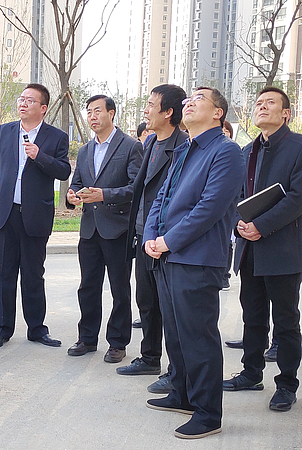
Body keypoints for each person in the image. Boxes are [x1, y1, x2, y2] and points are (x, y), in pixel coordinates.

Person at [143, 87, 245, 439]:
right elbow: (161, 198)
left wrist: (168, 240)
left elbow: (209, 208)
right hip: (167, 255)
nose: (189, 102)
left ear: (218, 113)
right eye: (188, 99)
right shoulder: (185, 148)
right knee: (175, 333)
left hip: (198, 259)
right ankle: (182, 394)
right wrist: (151, 237)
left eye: (199, 98)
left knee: (198, 337)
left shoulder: (226, 151)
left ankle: (207, 413)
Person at [223, 86, 302, 413]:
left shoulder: (298, 147)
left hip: (283, 249)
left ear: (286, 113)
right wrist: (239, 224)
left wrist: (261, 225)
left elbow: (296, 198)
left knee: (286, 321)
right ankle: (251, 373)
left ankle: (286, 384)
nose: (262, 107)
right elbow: (235, 195)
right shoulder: (246, 150)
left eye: (270, 103)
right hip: (249, 248)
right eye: (258, 103)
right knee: (252, 316)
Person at [0, 83, 70, 348]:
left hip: (35, 215)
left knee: (33, 275)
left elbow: (63, 171)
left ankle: (37, 329)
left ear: (43, 108)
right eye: (21, 99)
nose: (23, 103)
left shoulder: (56, 137)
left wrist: (39, 156)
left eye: (29, 100)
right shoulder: (5, 131)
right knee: (4, 273)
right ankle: (2, 329)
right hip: (6, 212)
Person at [118, 85, 187, 383]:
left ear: (168, 112)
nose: (145, 110)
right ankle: (149, 357)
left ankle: (176, 371)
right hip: (143, 235)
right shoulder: (150, 143)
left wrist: (162, 237)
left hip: (165, 240)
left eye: (150, 104)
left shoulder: (183, 147)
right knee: (145, 300)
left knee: (169, 309)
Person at [65, 95, 142, 363]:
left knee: (119, 288)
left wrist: (105, 195)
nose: (92, 116)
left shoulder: (130, 146)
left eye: (97, 111)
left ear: (111, 113)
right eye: (89, 112)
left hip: (117, 229)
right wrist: (72, 195)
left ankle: (118, 342)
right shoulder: (85, 150)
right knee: (88, 286)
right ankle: (87, 338)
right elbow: (76, 183)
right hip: (89, 229)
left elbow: (136, 187)